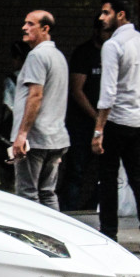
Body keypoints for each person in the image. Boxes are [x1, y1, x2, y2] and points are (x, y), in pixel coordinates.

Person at [92, 0, 140, 254]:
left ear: (121, 15)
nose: (101, 17)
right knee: (138, 176)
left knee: (108, 178)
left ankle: (109, 233)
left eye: (106, 12)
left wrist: (98, 129)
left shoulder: (112, 45)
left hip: (117, 121)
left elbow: (108, 93)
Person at [10, 10, 70, 209]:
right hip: (56, 137)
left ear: (45, 29)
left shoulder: (36, 56)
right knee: (47, 192)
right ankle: (55, 235)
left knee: (28, 195)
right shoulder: (58, 56)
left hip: (34, 139)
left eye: (30, 24)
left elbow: (35, 95)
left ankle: (32, 239)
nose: (24, 28)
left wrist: (22, 134)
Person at [59, 20, 108, 211]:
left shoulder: (112, 52)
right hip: (81, 123)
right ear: (96, 30)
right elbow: (77, 90)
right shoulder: (84, 53)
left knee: (104, 171)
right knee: (76, 169)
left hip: (103, 123)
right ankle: (70, 209)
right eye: (105, 31)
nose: (108, 35)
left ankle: (93, 206)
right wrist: (97, 117)